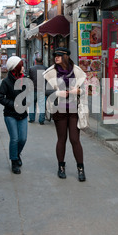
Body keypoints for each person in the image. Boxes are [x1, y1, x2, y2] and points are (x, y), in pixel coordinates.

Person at [43, 48, 87, 181]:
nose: (56, 57)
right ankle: (61, 167)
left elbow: (85, 91)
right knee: (61, 139)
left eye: (60, 55)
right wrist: (57, 93)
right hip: (59, 110)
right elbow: (46, 91)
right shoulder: (52, 72)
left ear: (66, 56)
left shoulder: (77, 71)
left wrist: (77, 91)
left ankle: (80, 168)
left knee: (75, 139)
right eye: (55, 55)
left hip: (74, 110)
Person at [0, 56, 28, 174]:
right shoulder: (6, 82)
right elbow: (0, 97)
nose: (23, 67)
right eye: (21, 65)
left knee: (23, 138)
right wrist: (13, 104)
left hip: (23, 114)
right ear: (16, 67)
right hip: (10, 114)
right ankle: (14, 161)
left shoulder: (24, 79)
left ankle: (16, 153)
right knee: (14, 138)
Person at [28, 56, 47, 125]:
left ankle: (32, 119)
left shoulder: (31, 68)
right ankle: (41, 120)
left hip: (32, 89)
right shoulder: (45, 69)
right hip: (42, 90)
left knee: (32, 105)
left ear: (35, 61)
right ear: (42, 61)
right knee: (42, 105)